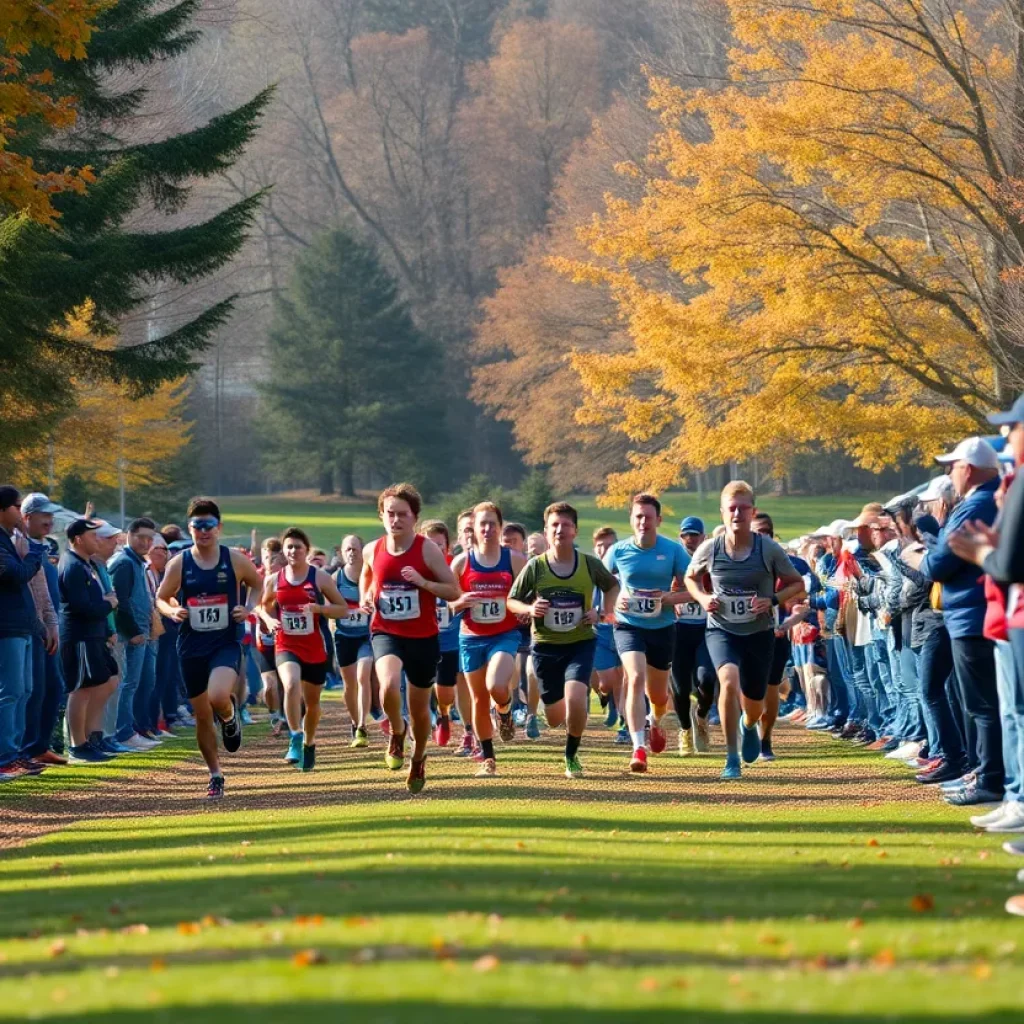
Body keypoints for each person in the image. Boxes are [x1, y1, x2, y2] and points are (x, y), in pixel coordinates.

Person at [685, 481, 805, 780]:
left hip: (759, 632)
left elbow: (798, 584)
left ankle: (749, 725)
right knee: (728, 680)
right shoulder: (710, 548)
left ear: (753, 511)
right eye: (731, 508)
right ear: (723, 513)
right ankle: (731, 757)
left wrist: (772, 600)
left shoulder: (768, 548)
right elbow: (690, 578)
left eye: (743, 508)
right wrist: (703, 598)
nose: (737, 513)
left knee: (755, 705)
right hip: (721, 630)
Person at [911, 438, 1004, 806]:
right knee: (989, 705)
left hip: (971, 614)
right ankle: (989, 776)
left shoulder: (976, 505)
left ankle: (990, 780)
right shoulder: (991, 500)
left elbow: (937, 566)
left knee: (982, 705)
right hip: (981, 612)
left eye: (953, 466)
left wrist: (918, 550)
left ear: (968, 468)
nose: (950, 473)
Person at [156, 497, 263, 799]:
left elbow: (257, 584)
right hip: (191, 644)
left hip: (225, 641)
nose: (203, 531)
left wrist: (249, 607)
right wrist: (171, 611)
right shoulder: (180, 563)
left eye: (209, 526)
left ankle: (229, 718)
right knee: (202, 715)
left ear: (219, 528)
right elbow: (161, 597)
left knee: (217, 695)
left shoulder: (235, 559)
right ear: (190, 529)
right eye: (197, 526)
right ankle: (215, 774)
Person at [360, 483, 460, 793]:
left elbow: (453, 590)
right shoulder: (372, 549)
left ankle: (418, 758)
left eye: (402, 514)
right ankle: (396, 731)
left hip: (422, 636)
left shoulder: (426, 549)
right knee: (388, 684)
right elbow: (367, 574)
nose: (395, 520)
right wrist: (366, 595)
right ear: (381, 516)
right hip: (386, 630)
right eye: (389, 513)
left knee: (419, 708)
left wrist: (423, 582)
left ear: (414, 517)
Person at [508, 502, 619, 778]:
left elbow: (612, 586)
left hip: (580, 643)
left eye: (566, 524)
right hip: (545, 647)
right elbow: (511, 600)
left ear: (575, 531)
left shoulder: (588, 564)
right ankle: (549, 712)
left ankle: (571, 756)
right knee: (556, 717)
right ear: (546, 531)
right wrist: (529, 610)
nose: (560, 529)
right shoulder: (536, 567)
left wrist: (602, 612)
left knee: (577, 698)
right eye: (554, 525)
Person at [604, 493, 691, 773]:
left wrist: (669, 598)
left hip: (662, 627)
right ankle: (638, 747)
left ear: (658, 520)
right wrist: (616, 602)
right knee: (634, 676)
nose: (643, 522)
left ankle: (655, 720)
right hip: (628, 624)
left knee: (658, 694)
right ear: (631, 520)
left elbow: (694, 591)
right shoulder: (617, 551)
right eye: (638, 516)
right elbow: (603, 587)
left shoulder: (674, 550)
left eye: (648, 517)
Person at [259, 527, 349, 771]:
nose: (292, 551)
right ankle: (295, 736)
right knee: (289, 684)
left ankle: (310, 742)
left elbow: (342, 608)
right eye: (288, 546)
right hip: (286, 644)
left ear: (306, 550)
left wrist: (319, 610)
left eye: (297, 546)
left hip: (313, 647)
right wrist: (269, 621)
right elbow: (262, 606)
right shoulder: (274, 580)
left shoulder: (319, 578)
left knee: (312, 704)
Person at [450, 502, 529, 777]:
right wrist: (462, 600)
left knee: (496, 684)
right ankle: (488, 758)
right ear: (473, 527)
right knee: (478, 699)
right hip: (471, 637)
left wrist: (524, 609)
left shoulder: (515, 559)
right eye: (481, 524)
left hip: (504, 635)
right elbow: (449, 602)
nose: (486, 529)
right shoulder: (462, 563)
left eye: (492, 523)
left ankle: (505, 709)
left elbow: (529, 594)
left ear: (500, 526)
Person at [58, 518, 121, 764]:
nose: (98, 539)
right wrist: (108, 603)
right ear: (78, 539)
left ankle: (94, 737)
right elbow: (81, 606)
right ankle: (78, 745)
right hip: (79, 636)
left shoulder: (86, 565)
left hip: (94, 634)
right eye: (93, 536)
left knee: (108, 680)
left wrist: (106, 626)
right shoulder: (72, 566)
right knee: (81, 689)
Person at [0, 486, 47, 780]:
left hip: (21, 626)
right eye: (17, 506)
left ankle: (14, 754)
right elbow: (13, 575)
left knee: (24, 690)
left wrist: (38, 626)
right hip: (6, 627)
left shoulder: (9, 540)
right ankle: (5, 757)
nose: (21, 511)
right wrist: (34, 556)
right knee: (11, 692)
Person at [17, 493, 65, 769]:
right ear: (27, 517)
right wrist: (44, 625)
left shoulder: (43, 548)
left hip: (47, 628)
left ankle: (38, 746)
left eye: (51, 515)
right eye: (43, 515)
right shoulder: (21, 547)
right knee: (30, 690)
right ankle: (24, 749)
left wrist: (52, 625)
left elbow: (47, 594)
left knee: (52, 687)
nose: (49, 520)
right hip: (30, 628)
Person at [109, 517, 161, 750]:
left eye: (150, 538)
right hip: (128, 635)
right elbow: (120, 601)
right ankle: (123, 732)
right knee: (127, 683)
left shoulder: (136, 562)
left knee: (136, 683)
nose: (145, 542)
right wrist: (133, 632)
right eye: (141, 537)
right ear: (129, 536)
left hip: (141, 632)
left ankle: (131, 729)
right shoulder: (124, 563)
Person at [671, 516, 716, 756]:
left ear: (703, 537)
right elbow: (664, 593)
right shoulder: (673, 561)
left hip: (705, 630)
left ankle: (701, 717)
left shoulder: (712, 561)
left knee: (707, 680)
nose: (690, 540)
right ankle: (685, 730)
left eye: (695, 535)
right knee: (679, 689)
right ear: (681, 537)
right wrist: (672, 601)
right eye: (686, 535)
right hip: (678, 632)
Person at [419, 520, 461, 748]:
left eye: (439, 545)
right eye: (429, 544)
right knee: (423, 683)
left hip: (451, 640)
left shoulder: (456, 567)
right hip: (423, 637)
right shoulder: (416, 569)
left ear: (448, 547)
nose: (435, 550)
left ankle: (443, 712)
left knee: (446, 690)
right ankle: (434, 718)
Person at [332, 534, 374, 748]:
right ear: (341, 552)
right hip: (344, 637)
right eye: (347, 549)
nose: (351, 553)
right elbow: (328, 609)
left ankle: (362, 725)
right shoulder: (335, 579)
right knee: (349, 684)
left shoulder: (372, 577)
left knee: (363, 674)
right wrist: (344, 612)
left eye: (355, 549)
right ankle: (354, 720)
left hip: (366, 636)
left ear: (362, 551)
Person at [592, 527, 627, 743]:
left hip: (622, 630)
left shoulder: (625, 573)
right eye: (600, 546)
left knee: (622, 679)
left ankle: (623, 725)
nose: (605, 550)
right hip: (600, 632)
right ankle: (607, 699)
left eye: (609, 545)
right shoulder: (588, 572)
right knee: (606, 682)